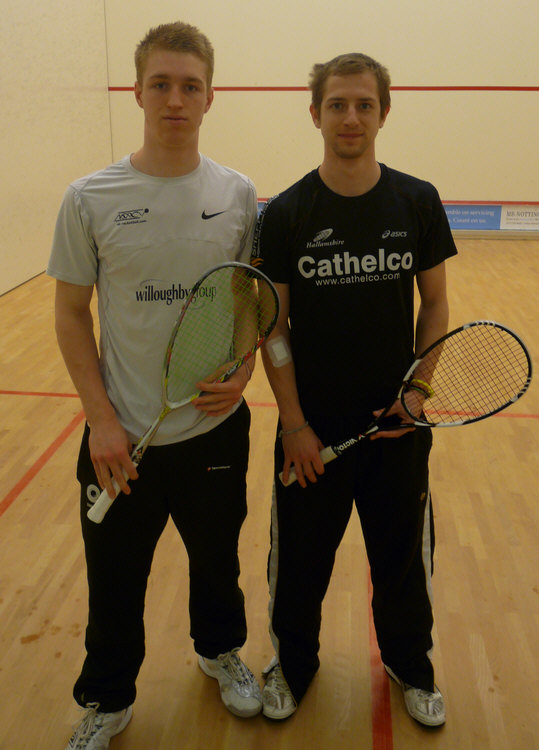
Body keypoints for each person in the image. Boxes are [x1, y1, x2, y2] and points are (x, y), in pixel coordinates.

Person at [48, 21, 262, 749]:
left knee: (217, 563)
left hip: (213, 431)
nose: (175, 99)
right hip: (122, 439)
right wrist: (100, 420)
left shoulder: (237, 193)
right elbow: (70, 313)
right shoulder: (90, 197)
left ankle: (220, 652)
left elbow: (247, 295)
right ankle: (107, 700)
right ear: (137, 92)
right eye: (161, 84)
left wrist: (244, 366)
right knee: (114, 581)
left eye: (190, 86)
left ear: (210, 97)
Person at [253, 53, 457, 727]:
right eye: (337, 104)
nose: (350, 117)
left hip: (397, 425)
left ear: (383, 113)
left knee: (402, 560)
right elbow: (274, 327)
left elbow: (434, 304)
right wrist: (293, 423)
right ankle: (291, 665)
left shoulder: (416, 200)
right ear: (315, 114)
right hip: (310, 432)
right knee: (300, 563)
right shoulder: (286, 214)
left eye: (363, 104)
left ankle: (411, 666)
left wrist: (417, 391)